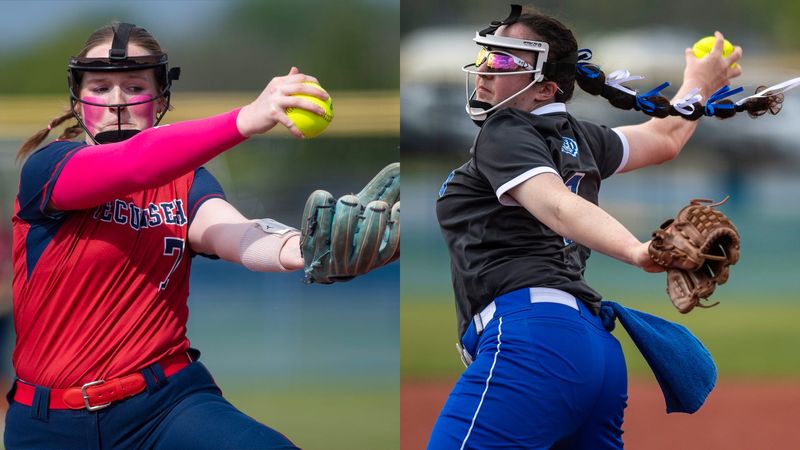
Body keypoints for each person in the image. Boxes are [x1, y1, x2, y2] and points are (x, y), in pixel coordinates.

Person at [6, 21, 333, 450]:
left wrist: (305, 247)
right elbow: (133, 164)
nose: (117, 102)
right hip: (48, 425)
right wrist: (244, 120)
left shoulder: (186, 182)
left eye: (134, 86)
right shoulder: (48, 169)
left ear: (160, 97)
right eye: (101, 87)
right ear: (77, 97)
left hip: (164, 407)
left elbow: (233, 234)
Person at [429, 5, 742, 449]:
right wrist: (700, 85)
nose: (484, 71)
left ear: (545, 89)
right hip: (595, 351)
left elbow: (556, 205)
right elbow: (665, 138)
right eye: (485, 56)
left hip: (532, 341)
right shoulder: (583, 137)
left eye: (501, 61)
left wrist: (638, 251)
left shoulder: (505, 129)